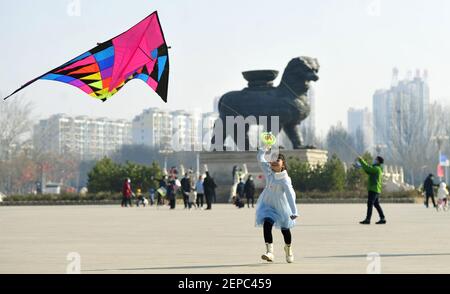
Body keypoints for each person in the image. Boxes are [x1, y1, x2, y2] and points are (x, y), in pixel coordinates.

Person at [256, 147, 298, 263]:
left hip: (282, 207)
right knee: (267, 225)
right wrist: (264, 148)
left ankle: (288, 248)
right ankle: (270, 252)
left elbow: (290, 195)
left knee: (285, 230)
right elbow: (260, 158)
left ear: (283, 164)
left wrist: (294, 211)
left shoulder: (285, 179)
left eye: (278, 160)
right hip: (268, 205)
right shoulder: (268, 171)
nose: (274, 162)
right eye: (273, 159)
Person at [358, 156, 386, 225]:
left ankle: (368, 219)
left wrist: (361, 160)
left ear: (378, 161)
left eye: (376, 159)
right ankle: (382, 218)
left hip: (373, 189)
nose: (374, 160)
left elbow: (368, 168)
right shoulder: (377, 168)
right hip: (375, 189)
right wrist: (362, 165)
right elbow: (368, 170)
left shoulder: (376, 168)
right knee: (376, 204)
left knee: (370, 204)